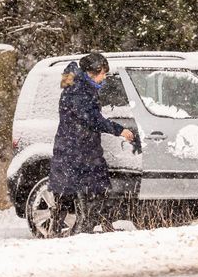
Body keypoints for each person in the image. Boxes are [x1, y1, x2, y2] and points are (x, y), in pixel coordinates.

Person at [47, 52, 134, 237]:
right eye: (102, 73)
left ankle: (83, 228)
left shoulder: (79, 86)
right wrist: (119, 130)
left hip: (78, 147)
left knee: (78, 190)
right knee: (85, 191)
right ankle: (81, 231)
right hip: (77, 149)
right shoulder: (78, 90)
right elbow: (92, 119)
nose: (104, 77)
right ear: (91, 72)